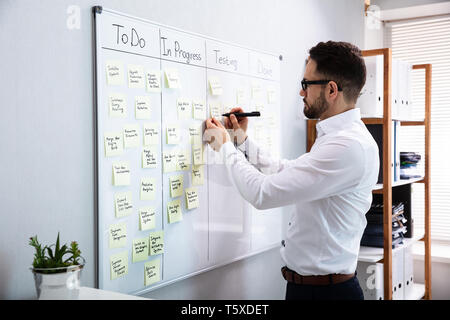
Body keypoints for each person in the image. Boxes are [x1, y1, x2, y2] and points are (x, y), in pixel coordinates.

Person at [204, 41, 379, 300]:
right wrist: (241, 141)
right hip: (313, 289)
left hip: (326, 295)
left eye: (306, 84)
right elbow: (288, 170)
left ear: (332, 90)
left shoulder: (347, 146)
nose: (301, 92)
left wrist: (226, 147)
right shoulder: (340, 137)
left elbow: (263, 194)